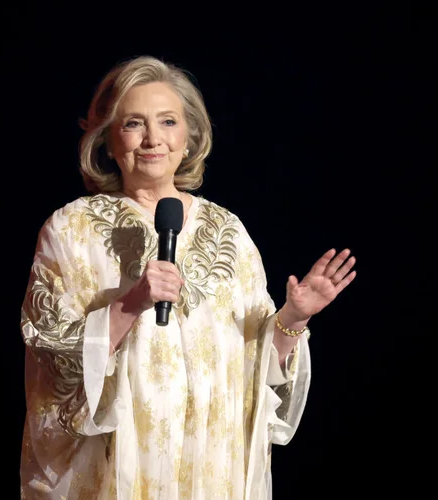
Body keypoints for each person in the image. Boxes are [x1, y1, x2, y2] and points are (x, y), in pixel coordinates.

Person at [19, 55, 357, 499]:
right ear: (107, 137)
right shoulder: (70, 230)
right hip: (120, 466)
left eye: (168, 122)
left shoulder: (228, 231)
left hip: (212, 464)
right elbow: (51, 355)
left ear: (189, 135)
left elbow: (253, 370)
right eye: (134, 123)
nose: (153, 139)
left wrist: (293, 318)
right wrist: (130, 303)